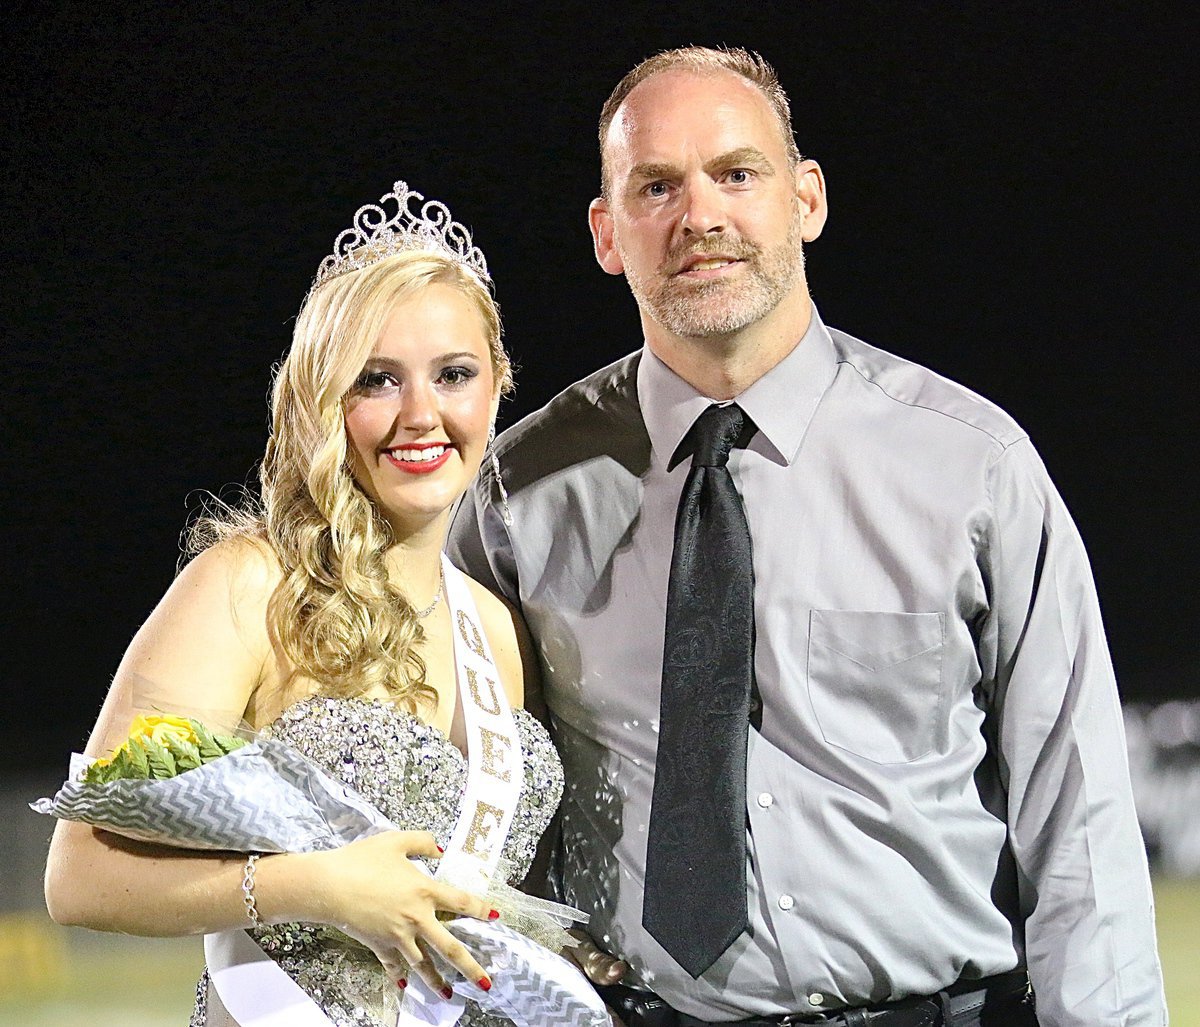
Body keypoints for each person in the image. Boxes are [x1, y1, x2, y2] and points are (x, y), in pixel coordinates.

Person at [447, 46, 1167, 1027]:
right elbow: (472, 798)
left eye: (736, 174)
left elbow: (1077, 815)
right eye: (656, 185)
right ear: (607, 233)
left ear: (807, 200)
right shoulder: (517, 494)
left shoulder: (972, 466)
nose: (699, 216)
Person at [44, 181, 565, 1027]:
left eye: (454, 374)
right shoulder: (247, 586)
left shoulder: (496, 627)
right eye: (378, 380)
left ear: (499, 383)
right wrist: (316, 887)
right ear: (327, 397)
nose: (421, 414)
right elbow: (79, 877)